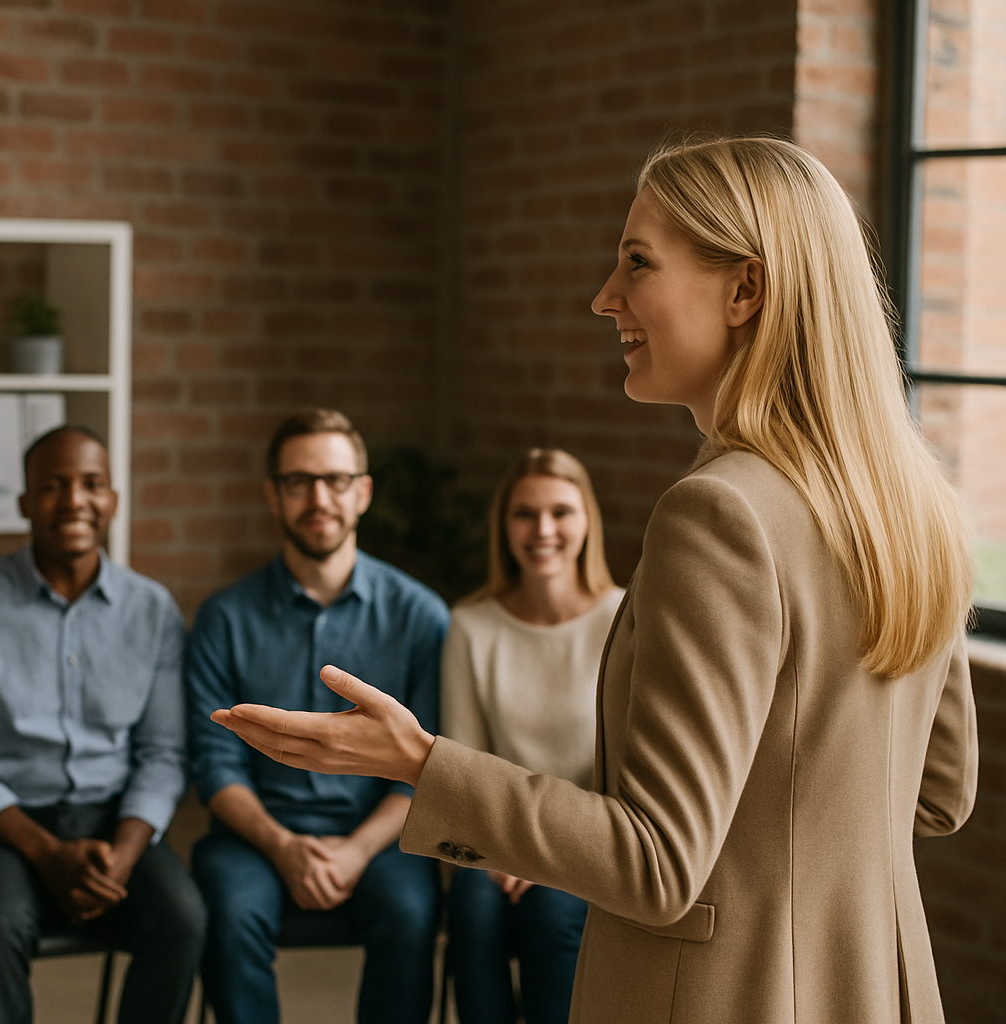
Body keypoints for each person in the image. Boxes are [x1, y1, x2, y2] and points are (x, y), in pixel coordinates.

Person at [211, 137, 978, 1024]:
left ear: (745, 290)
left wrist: (418, 761)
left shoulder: (719, 515)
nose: (604, 297)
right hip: (877, 989)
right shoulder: (917, 506)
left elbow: (658, 868)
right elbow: (939, 794)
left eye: (638, 262)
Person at [186, 408, 449, 1024]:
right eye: (299, 481)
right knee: (225, 911)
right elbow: (214, 764)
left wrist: (356, 851)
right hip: (256, 838)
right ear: (273, 497)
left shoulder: (421, 617)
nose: (318, 497)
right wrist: (283, 846)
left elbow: (433, 765)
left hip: (382, 837)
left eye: (335, 480)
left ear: (363, 492)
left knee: (411, 915)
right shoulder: (225, 618)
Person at [0, 426, 205, 1024]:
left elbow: (162, 753)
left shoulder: (151, 609)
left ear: (113, 500)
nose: (74, 500)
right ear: (26, 503)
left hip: (116, 819)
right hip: (6, 824)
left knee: (183, 920)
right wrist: (46, 851)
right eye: (53, 486)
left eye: (91, 484)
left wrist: (126, 856)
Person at [443, 448, 624, 1024]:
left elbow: (621, 774)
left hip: (588, 844)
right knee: (472, 909)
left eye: (560, 512)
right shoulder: (471, 627)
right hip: (493, 842)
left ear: (587, 521)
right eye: (524, 514)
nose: (542, 530)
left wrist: (546, 856)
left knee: (551, 916)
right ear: (504, 524)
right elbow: (462, 766)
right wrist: (501, 852)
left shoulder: (624, 619)